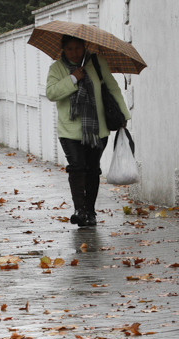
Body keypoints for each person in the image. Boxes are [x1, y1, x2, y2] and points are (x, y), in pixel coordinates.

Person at [46, 35, 131, 227]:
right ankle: (80, 210)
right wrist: (73, 77)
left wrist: (124, 114)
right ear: (63, 49)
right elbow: (52, 93)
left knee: (92, 170)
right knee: (76, 167)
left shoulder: (97, 62)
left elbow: (113, 88)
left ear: (84, 47)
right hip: (69, 130)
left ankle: (90, 211)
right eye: (69, 49)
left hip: (97, 130)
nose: (74, 52)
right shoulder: (56, 68)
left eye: (77, 48)